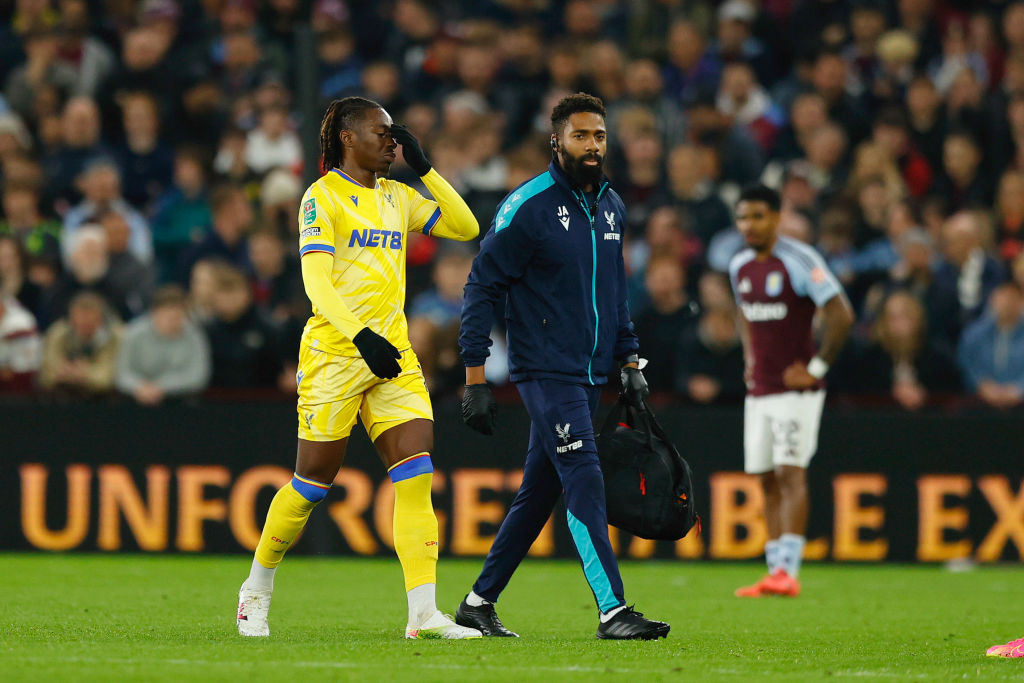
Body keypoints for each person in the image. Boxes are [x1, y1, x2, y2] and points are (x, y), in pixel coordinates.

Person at [236, 96, 481, 640]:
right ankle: (256, 587)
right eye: (382, 133)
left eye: (396, 134)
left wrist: (426, 167)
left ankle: (424, 613)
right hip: (336, 355)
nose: (391, 141)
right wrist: (359, 335)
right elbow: (316, 282)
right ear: (348, 137)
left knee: (417, 475)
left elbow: (466, 227)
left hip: (391, 355)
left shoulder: (397, 196)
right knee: (312, 484)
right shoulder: (320, 197)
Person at [457, 92, 670, 640]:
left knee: (540, 490)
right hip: (545, 369)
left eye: (599, 135)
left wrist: (629, 358)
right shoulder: (527, 206)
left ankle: (478, 603)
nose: (593, 145)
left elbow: (615, 293)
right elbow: (482, 284)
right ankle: (612, 609)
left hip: (593, 370)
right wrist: (474, 373)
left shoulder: (611, 206)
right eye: (581, 136)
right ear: (557, 141)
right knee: (584, 477)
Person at [728, 184, 853, 598]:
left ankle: (789, 572)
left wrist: (816, 368)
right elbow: (745, 316)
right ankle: (774, 570)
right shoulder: (740, 265)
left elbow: (841, 313)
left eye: (758, 216)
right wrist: (749, 359)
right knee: (764, 476)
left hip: (796, 391)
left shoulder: (799, 259)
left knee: (789, 472)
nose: (749, 225)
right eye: (743, 217)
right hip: (759, 389)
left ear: (777, 218)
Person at [115, 284, 210, 405]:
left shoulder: (195, 335)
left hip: (179, 399)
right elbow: (122, 374)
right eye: (168, 314)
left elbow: (198, 376)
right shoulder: (133, 333)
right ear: (154, 312)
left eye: (179, 315)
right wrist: (140, 387)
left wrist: (161, 388)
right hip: (138, 399)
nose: (174, 320)